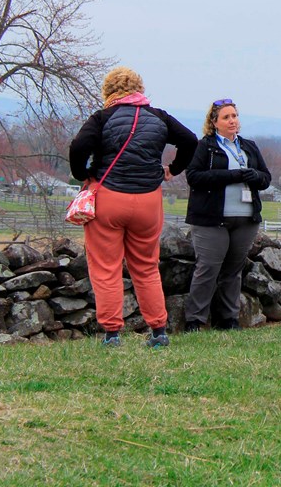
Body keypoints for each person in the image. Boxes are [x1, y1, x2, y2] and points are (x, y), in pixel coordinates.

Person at [69, 66, 198, 347]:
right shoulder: (158, 116)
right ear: (139, 89)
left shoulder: (102, 117)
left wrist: (85, 174)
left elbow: (78, 147)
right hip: (148, 200)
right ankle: (158, 330)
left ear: (109, 91)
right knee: (146, 266)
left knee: (106, 267)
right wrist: (172, 169)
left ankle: (113, 333)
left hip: (109, 197)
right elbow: (190, 140)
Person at [184, 99, 271, 332]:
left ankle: (229, 319)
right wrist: (231, 176)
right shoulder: (206, 146)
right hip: (211, 218)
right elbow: (193, 177)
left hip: (245, 218)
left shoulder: (249, 146)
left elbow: (266, 178)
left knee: (233, 271)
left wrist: (253, 175)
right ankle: (195, 320)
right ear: (214, 122)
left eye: (234, 116)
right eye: (226, 117)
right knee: (208, 269)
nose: (232, 120)